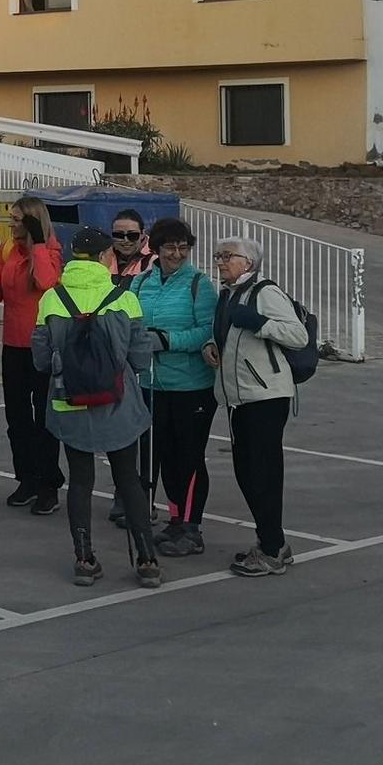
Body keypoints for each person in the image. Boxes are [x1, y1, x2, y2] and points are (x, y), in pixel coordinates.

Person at [33, 224, 161, 588]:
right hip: (118, 402)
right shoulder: (124, 298)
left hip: (70, 401)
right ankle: (147, 558)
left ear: (75, 256)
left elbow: (41, 358)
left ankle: (85, 558)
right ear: (106, 257)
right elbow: (139, 356)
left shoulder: (52, 298)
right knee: (128, 479)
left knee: (80, 480)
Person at [207, 236, 310, 578]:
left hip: (266, 396)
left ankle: (271, 548)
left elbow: (298, 336)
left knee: (262, 472)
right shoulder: (228, 295)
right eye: (219, 255)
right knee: (247, 472)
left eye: (227, 256)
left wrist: (258, 322)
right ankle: (272, 542)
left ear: (248, 263)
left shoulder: (264, 292)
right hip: (238, 397)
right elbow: (223, 335)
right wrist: (211, 345)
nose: (220, 261)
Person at [0, 195, 65, 516]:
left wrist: (37, 242)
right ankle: (27, 478)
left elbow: (47, 282)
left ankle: (49, 484)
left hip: (42, 345)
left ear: (33, 222)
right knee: (17, 418)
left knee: (44, 420)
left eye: (16, 219)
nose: (10, 224)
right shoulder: (7, 249)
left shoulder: (50, 250)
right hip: (12, 344)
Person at [129, 217, 220, 557]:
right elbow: (132, 324)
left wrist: (168, 340)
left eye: (183, 248)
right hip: (152, 384)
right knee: (164, 454)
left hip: (192, 385)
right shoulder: (141, 283)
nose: (177, 254)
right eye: (170, 247)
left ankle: (193, 527)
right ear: (156, 248)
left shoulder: (199, 284)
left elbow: (207, 331)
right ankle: (176, 518)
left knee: (190, 457)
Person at [101, 208, 156, 283]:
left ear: (142, 234)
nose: (126, 240)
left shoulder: (154, 260)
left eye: (132, 235)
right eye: (119, 235)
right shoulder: (104, 256)